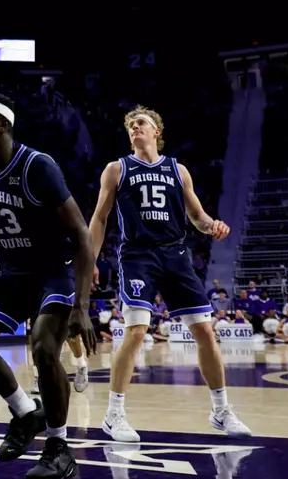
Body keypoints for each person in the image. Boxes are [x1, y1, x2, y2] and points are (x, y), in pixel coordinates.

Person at [0, 93, 95, 479]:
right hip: (13, 271)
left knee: (45, 347)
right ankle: (25, 411)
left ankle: (59, 448)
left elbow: (81, 233)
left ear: (3, 125)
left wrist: (82, 304)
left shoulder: (38, 166)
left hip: (53, 269)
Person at [87, 106, 249, 442]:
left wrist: (213, 226)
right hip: (138, 256)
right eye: (131, 125)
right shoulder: (117, 169)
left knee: (205, 331)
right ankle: (113, 415)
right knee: (136, 330)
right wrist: (89, 259)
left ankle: (221, 411)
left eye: (141, 123)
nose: (135, 127)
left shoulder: (179, 170)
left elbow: (197, 216)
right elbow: (100, 218)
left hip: (176, 254)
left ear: (157, 131)